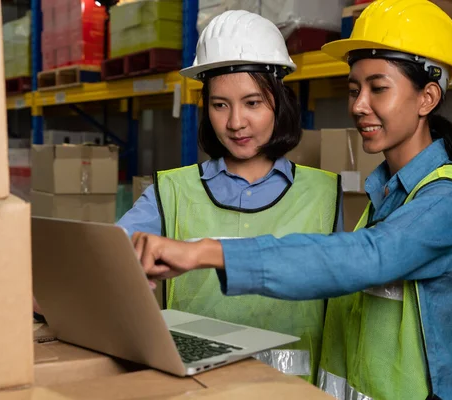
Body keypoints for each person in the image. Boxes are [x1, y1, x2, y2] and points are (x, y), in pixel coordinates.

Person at [131, 0, 452, 399]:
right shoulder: (388, 195)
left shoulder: (445, 200)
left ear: (427, 98)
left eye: (378, 89)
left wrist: (208, 252)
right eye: (354, 90)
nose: (358, 105)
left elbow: (364, 257)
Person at [116, 10, 343, 384]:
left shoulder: (324, 194)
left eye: (253, 103)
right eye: (220, 105)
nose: (235, 122)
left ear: (279, 104)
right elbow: (108, 264)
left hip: (290, 393)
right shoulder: (171, 192)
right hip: (199, 389)